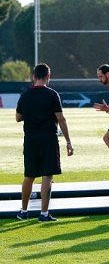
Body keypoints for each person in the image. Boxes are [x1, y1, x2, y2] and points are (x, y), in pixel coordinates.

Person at [16, 63, 74, 222]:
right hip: (48, 139)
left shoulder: (25, 94)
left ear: (33, 77)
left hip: (30, 139)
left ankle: (23, 211)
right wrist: (68, 142)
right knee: (47, 176)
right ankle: (43, 213)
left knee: (29, 176)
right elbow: (61, 119)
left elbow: (18, 118)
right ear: (48, 76)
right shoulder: (52, 94)